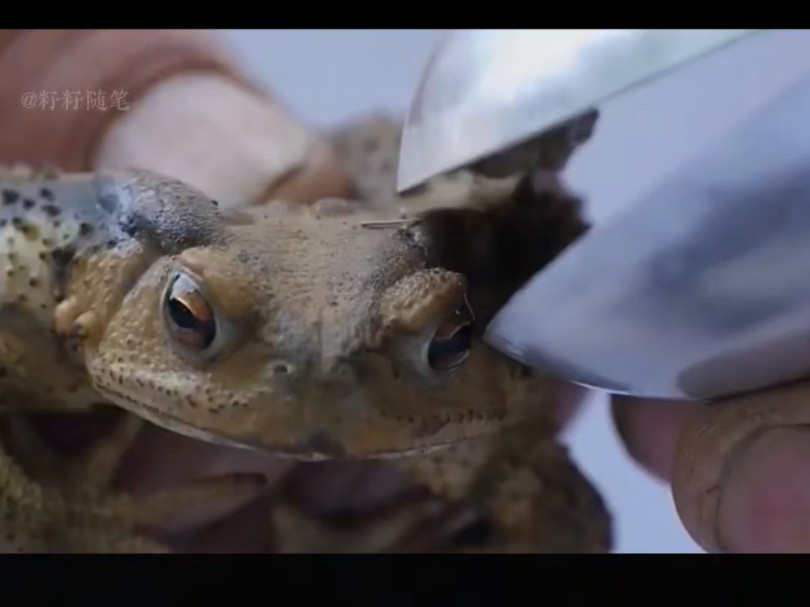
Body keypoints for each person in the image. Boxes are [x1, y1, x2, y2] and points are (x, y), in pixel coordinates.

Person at [0, 29, 801, 553]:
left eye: (442, 341)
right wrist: (42, 516)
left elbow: (563, 516)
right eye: (194, 320)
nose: (311, 396)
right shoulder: (57, 269)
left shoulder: (476, 398)